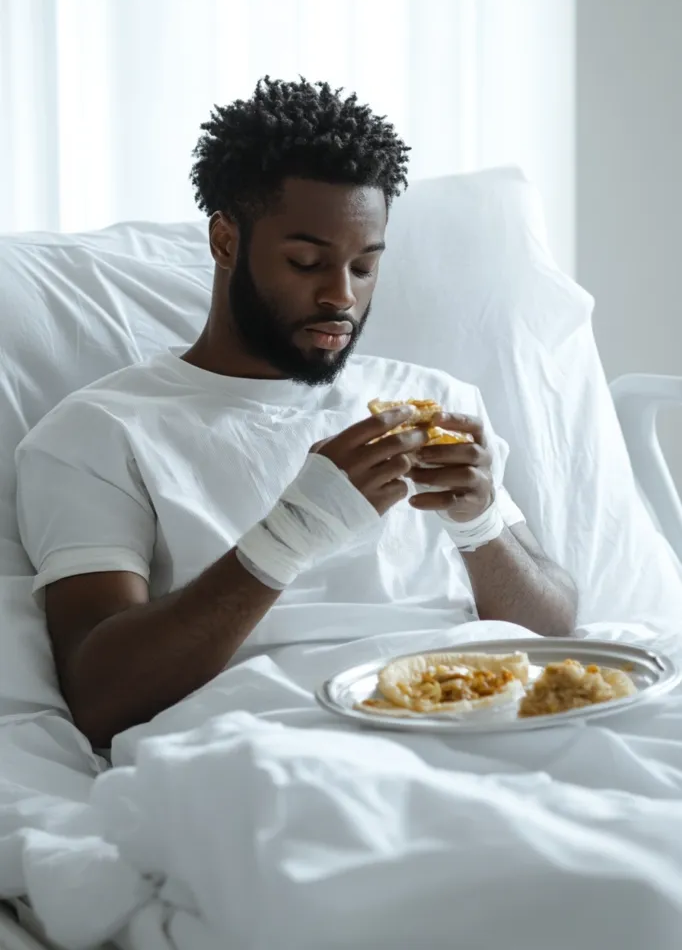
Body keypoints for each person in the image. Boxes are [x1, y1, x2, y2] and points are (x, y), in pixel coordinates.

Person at [16, 78, 577, 747]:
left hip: (487, 718)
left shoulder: (435, 399)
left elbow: (557, 633)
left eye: (364, 267)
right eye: (307, 262)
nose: (341, 296)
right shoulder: (101, 431)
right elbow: (102, 697)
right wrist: (289, 537)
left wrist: (481, 525)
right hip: (279, 741)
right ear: (225, 241)